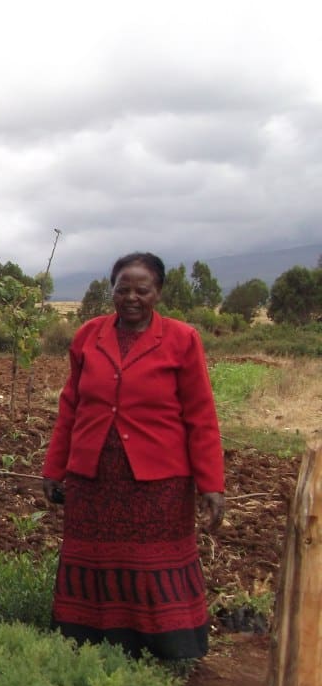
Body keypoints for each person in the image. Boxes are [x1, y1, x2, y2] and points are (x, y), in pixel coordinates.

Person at [42, 252, 225, 660]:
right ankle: (88, 643)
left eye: (141, 290)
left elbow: (201, 416)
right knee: (93, 560)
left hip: (158, 484)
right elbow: (71, 406)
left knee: (152, 565)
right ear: (111, 291)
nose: (130, 298)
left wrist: (212, 484)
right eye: (122, 289)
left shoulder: (181, 340)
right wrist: (55, 469)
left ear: (157, 292)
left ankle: (166, 649)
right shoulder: (89, 335)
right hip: (94, 481)